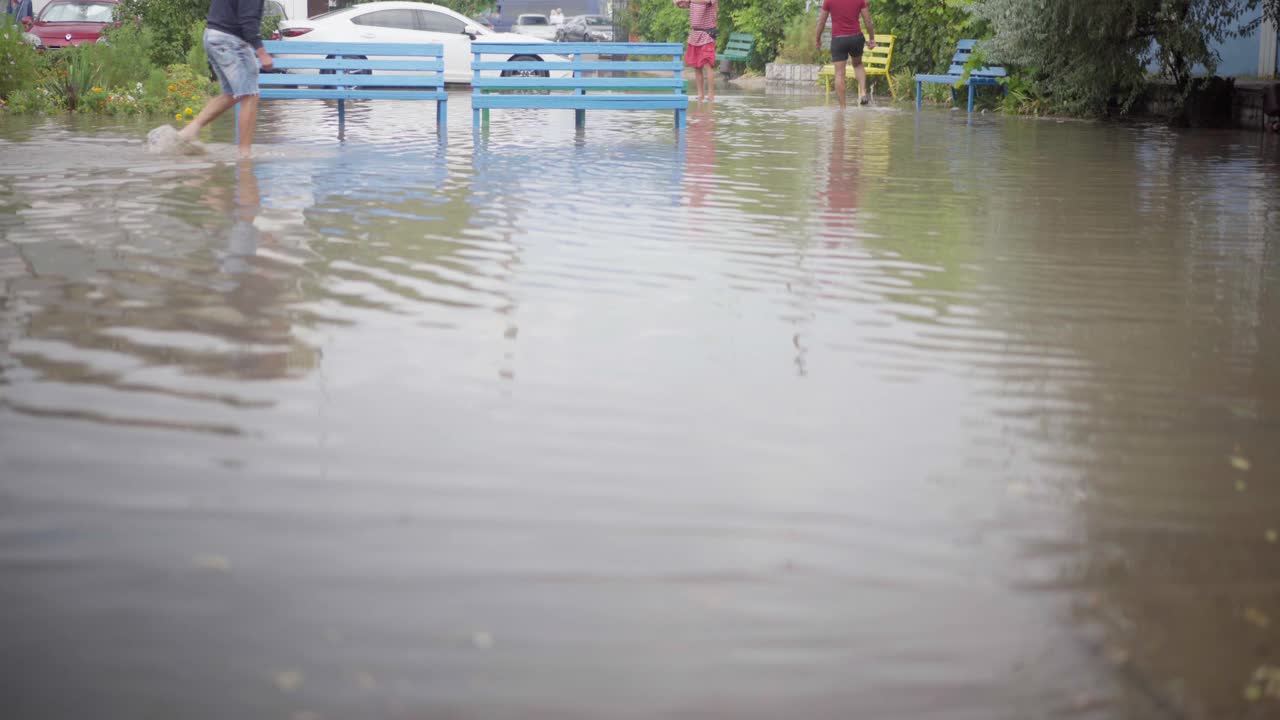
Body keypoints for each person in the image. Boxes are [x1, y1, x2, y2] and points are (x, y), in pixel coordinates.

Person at [177, 0, 274, 157]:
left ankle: (189, 132)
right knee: (250, 95)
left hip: (213, 35)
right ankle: (245, 155)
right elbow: (248, 20)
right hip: (230, 40)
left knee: (231, 94)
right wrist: (262, 53)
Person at [815, 0, 875, 108]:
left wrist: (818, 39)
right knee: (858, 64)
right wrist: (871, 39)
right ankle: (863, 92)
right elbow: (868, 21)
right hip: (856, 38)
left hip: (838, 40)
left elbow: (821, 22)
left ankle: (843, 109)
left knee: (839, 74)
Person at [675, 0, 716, 103]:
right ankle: (700, 94)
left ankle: (711, 94)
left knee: (707, 64)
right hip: (695, 34)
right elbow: (681, 4)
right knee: (697, 67)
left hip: (707, 34)